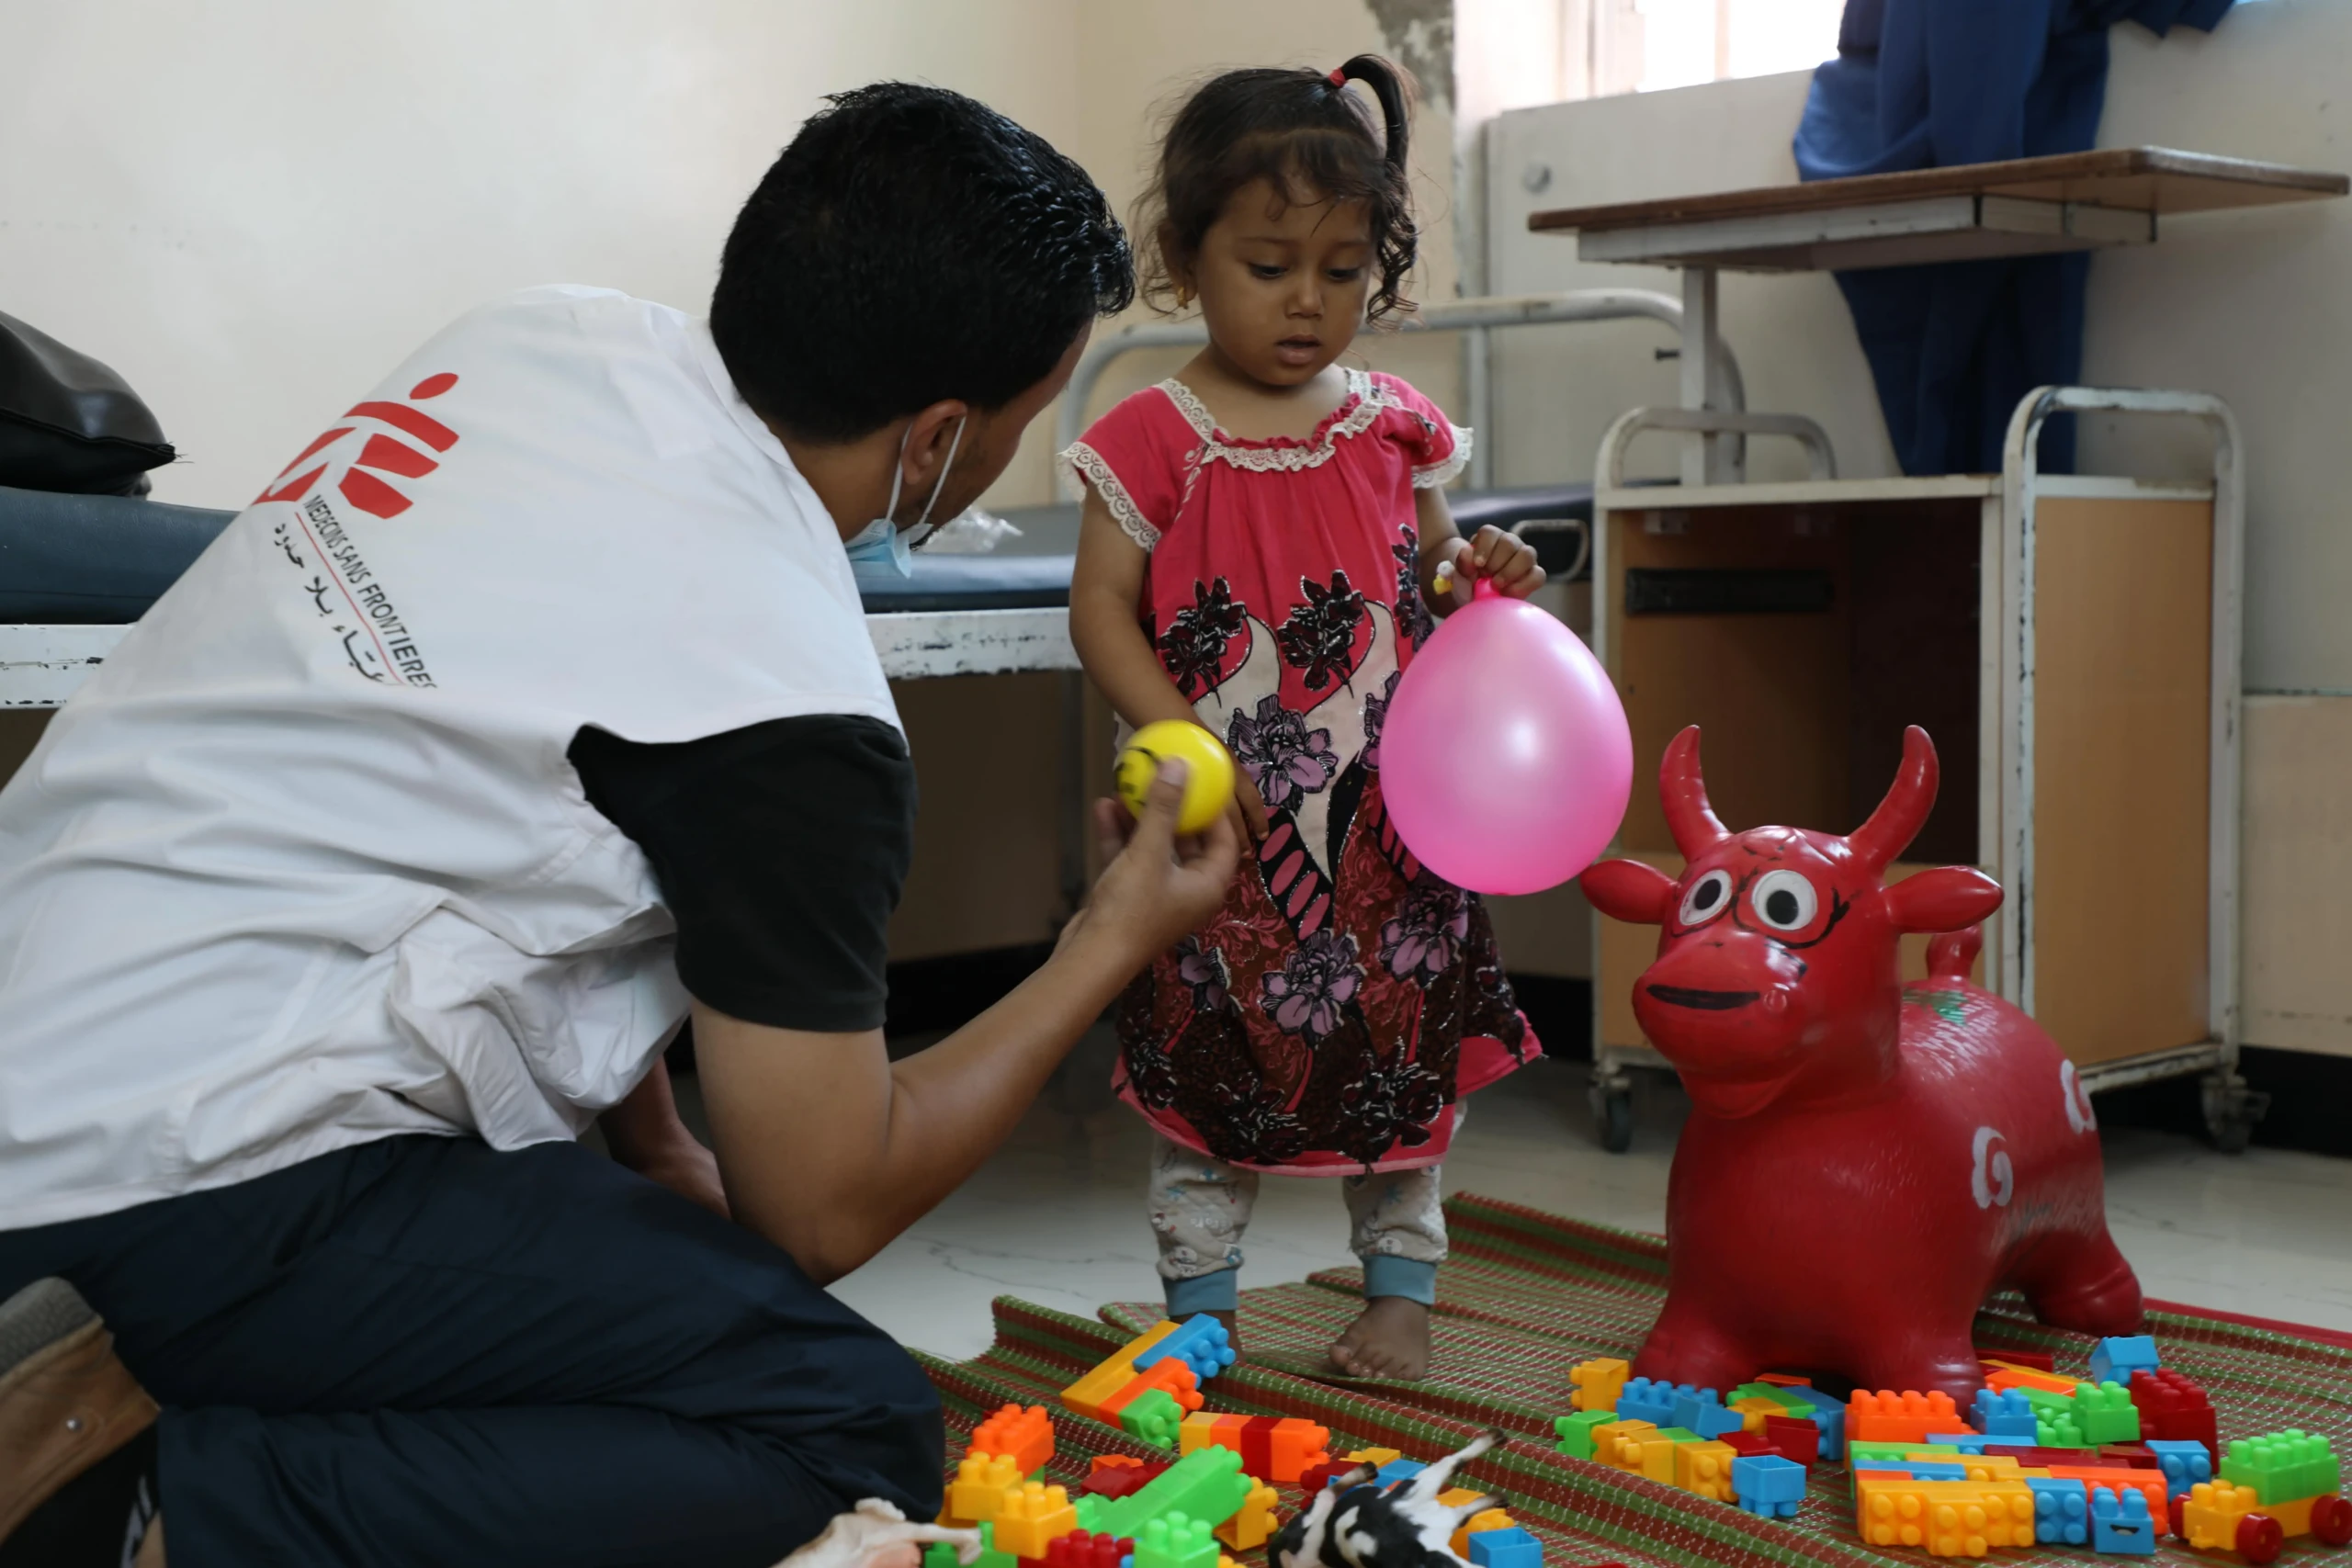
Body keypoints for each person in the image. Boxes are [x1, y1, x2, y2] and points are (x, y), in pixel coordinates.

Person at [0, 84, 1238, 1568]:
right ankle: (149, 1512)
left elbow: (500, 760)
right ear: (940, 437)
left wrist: (645, 1139)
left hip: (47, 1029)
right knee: (839, 1421)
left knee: (666, 1296)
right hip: (178, 1177)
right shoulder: (793, 696)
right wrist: (1108, 939)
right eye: (1030, 424)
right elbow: (821, 1206)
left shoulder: (537, 339)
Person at [1062, 56, 1546, 1383]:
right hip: (1227, 834)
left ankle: (1400, 1290)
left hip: (1391, 835)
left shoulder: (1396, 430)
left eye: (1342, 270)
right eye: (1271, 263)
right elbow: (1102, 609)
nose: (1307, 301)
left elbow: (1436, 580)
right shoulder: (1152, 436)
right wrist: (1188, 738)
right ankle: (1200, 1311)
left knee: (1403, 1064)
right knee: (1206, 1067)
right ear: (1184, 254)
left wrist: (1482, 573)